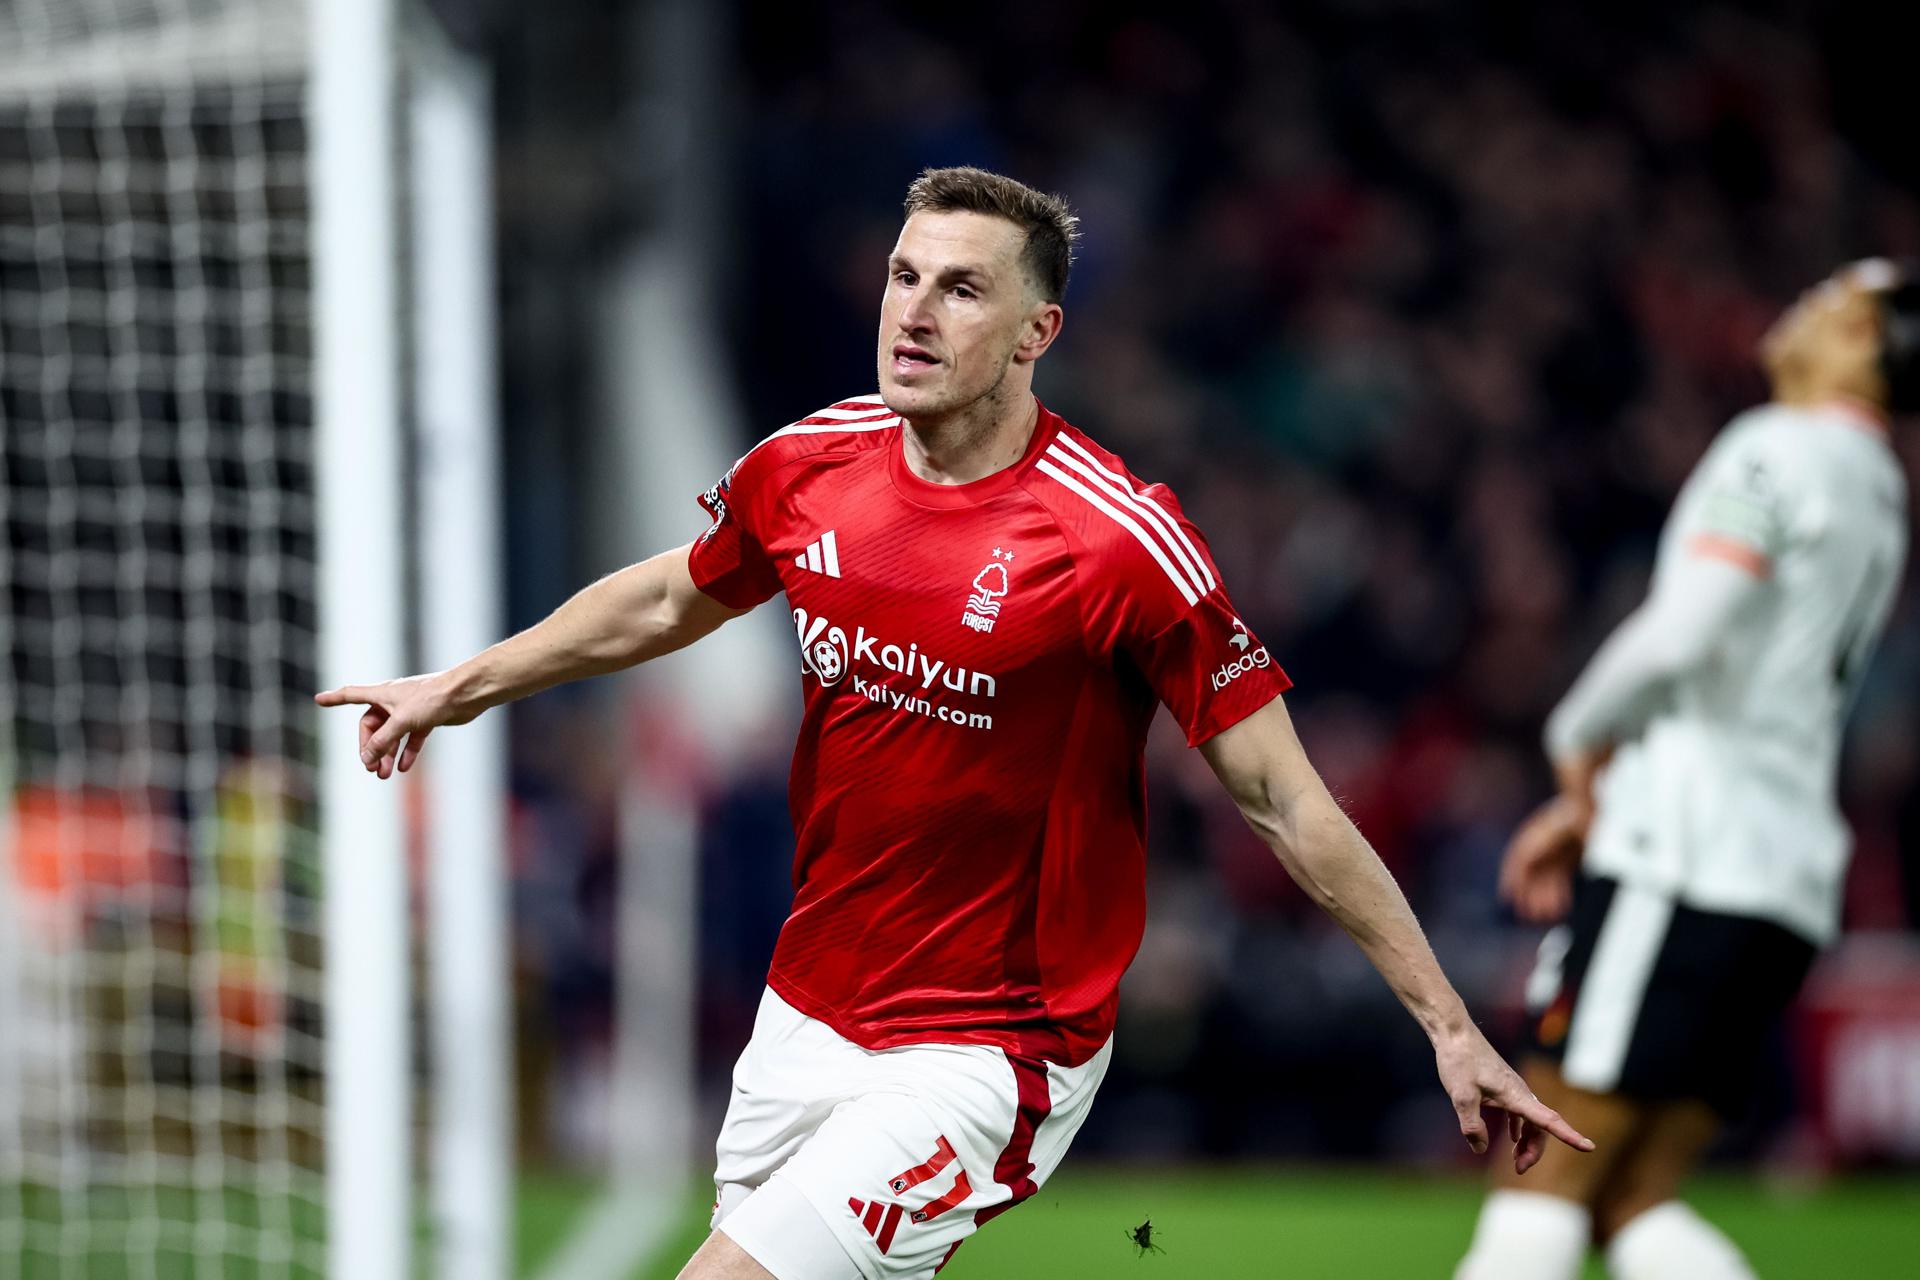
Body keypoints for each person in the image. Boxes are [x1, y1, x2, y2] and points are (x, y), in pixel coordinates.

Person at [320, 166, 1589, 1280]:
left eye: (962, 289)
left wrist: (1449, 1023)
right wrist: (458, 684)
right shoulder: (809, 465)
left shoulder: (1119, 541)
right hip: (808, 1007)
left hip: (990, 1042)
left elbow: (1285, 797)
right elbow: (666, 595)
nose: (915, 311)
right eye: (902, 274)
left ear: (1038, 329)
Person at [1457, 259, 1919, 1280]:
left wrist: (1576, 738)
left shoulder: (1777, 446)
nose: (1805, 304)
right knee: (1635, 1197)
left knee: (1545, 1179)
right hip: (1786, 879)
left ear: (1867, 350)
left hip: (1685, 856)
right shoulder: (1880, 485)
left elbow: (1686, 632)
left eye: (1838, 302)